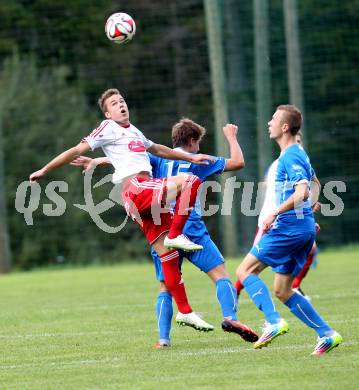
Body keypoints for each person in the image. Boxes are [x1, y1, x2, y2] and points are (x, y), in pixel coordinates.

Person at [29, 88, 215, 331]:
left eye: (122, 101)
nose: (121, 105)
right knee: (190, 182)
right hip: (136, 189)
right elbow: (76, 150)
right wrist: (45, 170)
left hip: (142, 198)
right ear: (108, 113)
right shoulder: (108, 128)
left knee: (167, 256)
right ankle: (176, 234)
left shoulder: (134, 131)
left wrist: (191, 159)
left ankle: (185, 312)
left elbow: (157, 149)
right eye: (114, 104)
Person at [73, 119, 259, 348]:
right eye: (198, 142)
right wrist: (231, 136)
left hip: (162, 226)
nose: (198, 148)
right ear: (192, 141)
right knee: (220, 274)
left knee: (166, 286)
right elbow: (238, 162)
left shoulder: (159, 157)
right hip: (190, 226)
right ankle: (231, 318)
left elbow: (124, 158)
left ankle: (163, 340)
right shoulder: (200, 160)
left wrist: (96, 161)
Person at [235, 105, 342, 355]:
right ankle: (327, 334)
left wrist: (275, 211)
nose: (268, 123)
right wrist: (309, 209)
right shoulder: (299, 153)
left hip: (289, 228)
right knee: (283, 290)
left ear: (285, 127)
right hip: (303, 228)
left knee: (244, 270)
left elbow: (302, 191)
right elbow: (314, 185)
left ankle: (273, 322)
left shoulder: (290, 156)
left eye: (273, 119)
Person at [235, 130, 321, 301]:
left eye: (299, 140)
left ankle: (294, 287)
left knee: (311, 250)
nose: (298, 143)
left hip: (292, 222)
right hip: (273, 221)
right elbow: (282, 192)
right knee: (250, 268)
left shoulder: (300, 159)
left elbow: (311, 186)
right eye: (295, 140)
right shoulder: (282, 163)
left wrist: (309, 211)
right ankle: (234, 293)